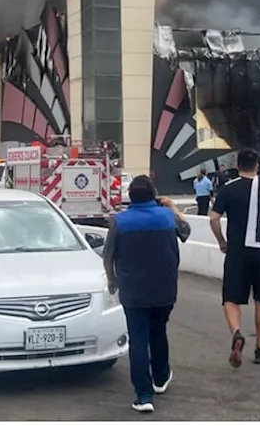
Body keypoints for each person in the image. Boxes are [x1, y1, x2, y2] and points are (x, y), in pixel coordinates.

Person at [103, 175, 188, 413]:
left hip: (133, 291)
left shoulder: (120, 222)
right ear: (154, 195)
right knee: (158, 331)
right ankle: (161, 378)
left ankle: (143, 395)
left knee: (138, 339)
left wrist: (112, 281)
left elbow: (108, 256)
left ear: (130, 196)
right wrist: (171, 206)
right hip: (165, 288)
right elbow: (186, 231)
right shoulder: (167, 217)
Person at [208, 148, 260, 368]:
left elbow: (213, 218)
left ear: (237, 164)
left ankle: (237, 333)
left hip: (238, 250)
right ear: (258, 166)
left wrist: (222, 242)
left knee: (231, 298)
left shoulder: (228, 188)